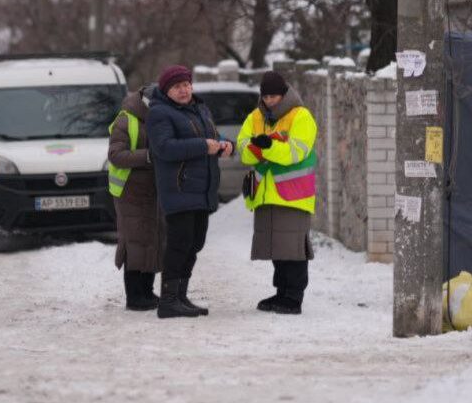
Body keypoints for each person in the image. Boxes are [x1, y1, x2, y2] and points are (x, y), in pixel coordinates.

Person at [146, 65, 234, 319]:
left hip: (202, 189)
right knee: (179, 244)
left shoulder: (200, 108)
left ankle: (180, 296)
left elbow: (212, 136)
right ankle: (168, 301)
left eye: (186, 84)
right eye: (177, 87)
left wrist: (227, 145)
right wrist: (202, 146)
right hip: (179, 188)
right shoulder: (160, 113)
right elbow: (164, 148)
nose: (183, 90)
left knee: (194, 244)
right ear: (167, 90)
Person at [237, 71, 317, 315]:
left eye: (274, 96)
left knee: (292, 248)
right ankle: (281, 292)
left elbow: (296, 152)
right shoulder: (255, 117)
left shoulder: (301, 116)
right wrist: (261, 148)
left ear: (284, 94)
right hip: (265, 192)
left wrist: (268, 146)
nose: (270, 101)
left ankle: (294, 297)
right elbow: (243, 149)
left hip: (292, 194)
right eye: (266, 96)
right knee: (277, 248)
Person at [107, 86, 166, 311]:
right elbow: (116, 155)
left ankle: (147, 292)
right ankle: (134, 296)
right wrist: (149, 156)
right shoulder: (126, 120)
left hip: (152, 191)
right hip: (129, 192)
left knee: (152, 239)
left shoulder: (157, 119)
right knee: (135, 242)